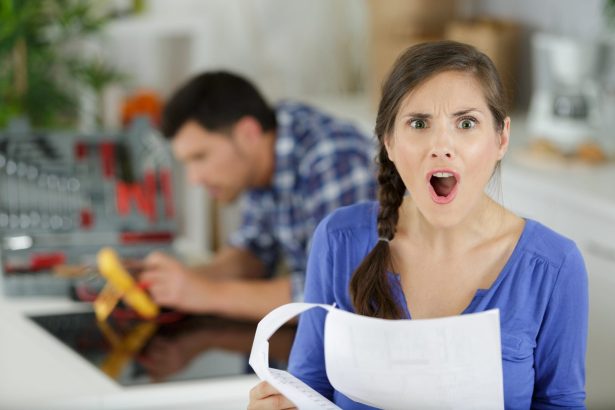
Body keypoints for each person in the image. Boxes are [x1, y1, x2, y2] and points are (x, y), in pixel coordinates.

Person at [248, 41, 588, 409]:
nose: (441, 146)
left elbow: (560, 403)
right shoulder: (338, 241)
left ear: (501, 138)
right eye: (419, 123)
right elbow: (307, 389)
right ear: (389, 142)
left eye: (466, 123)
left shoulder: (555, 266)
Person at [139, 71, 377, 321]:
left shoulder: (334, 160)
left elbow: (339, 294)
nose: (194, 178)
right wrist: (183, 281)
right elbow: (253, 251)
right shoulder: (263, 156)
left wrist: (206, 293)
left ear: (248, 133)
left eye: (200, 157)